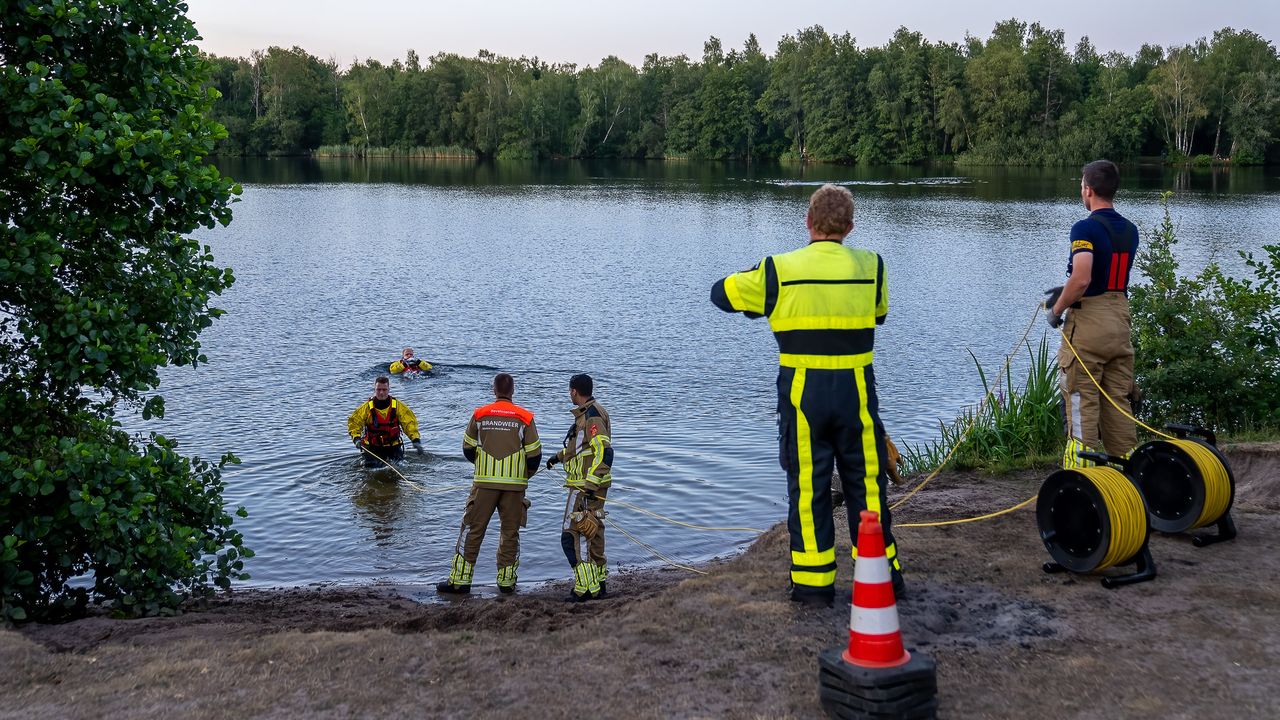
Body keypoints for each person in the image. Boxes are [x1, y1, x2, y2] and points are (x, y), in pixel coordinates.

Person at [710, 183, 900, 608]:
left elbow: (720, 294)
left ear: (808, 222)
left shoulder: (780, 268)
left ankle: (813, 585)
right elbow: (879, 314)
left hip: (803, 395)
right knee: (868, 484)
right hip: (856, 392)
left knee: (808, 488)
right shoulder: (873, 266)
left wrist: (759, 283)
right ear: (850, 227)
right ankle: (883, 577)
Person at [1045, 160, 1139, 468]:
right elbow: (1105, 275)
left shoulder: (1084, 227)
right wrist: (1068, 287)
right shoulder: (1130, 230)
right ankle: (1127, 486)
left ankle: (1081, 487)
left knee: (1081, 401)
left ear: (1089, 190)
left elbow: (1084, 278)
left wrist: (1057, 309)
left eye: (1082, 186)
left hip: (1090, 327)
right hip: (1120, 320)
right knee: (1118, 406)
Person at [437, 373, 541, 595]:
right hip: (514, 486)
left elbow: (467, 448)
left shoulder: (480, 414)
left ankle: (460, 581)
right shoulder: (525, 417)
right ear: (512, 391)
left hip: (484, 483)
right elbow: (535, 455)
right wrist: (523, 475)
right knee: (510, 533)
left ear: (494, 390)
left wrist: (483, 464)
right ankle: (506, 583)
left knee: (472, 529)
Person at [545, 374, 612, 602]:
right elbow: (580, 448)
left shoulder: (592, 416)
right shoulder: (588, 413)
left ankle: (585, 587)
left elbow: (604, 451)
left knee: (572, 535)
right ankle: (599, 583)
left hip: (584, 487)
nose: (569, 394)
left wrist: (591, 484)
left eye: (569, 390)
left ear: (574, 391)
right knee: (594, 532)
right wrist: (557, 457)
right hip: (589, 485)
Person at [347, 375, 423, 466]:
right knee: (371, 470)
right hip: (372, 447)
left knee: (399, 467)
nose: (381, 392)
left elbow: (410, 423)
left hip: (393, 446)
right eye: (378, 390)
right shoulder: (365, 408)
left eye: (384, 389)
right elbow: (354, 423)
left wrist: (415, 440)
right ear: (374, 390)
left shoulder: (399, 407)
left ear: (389, 390)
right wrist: (356, 439)